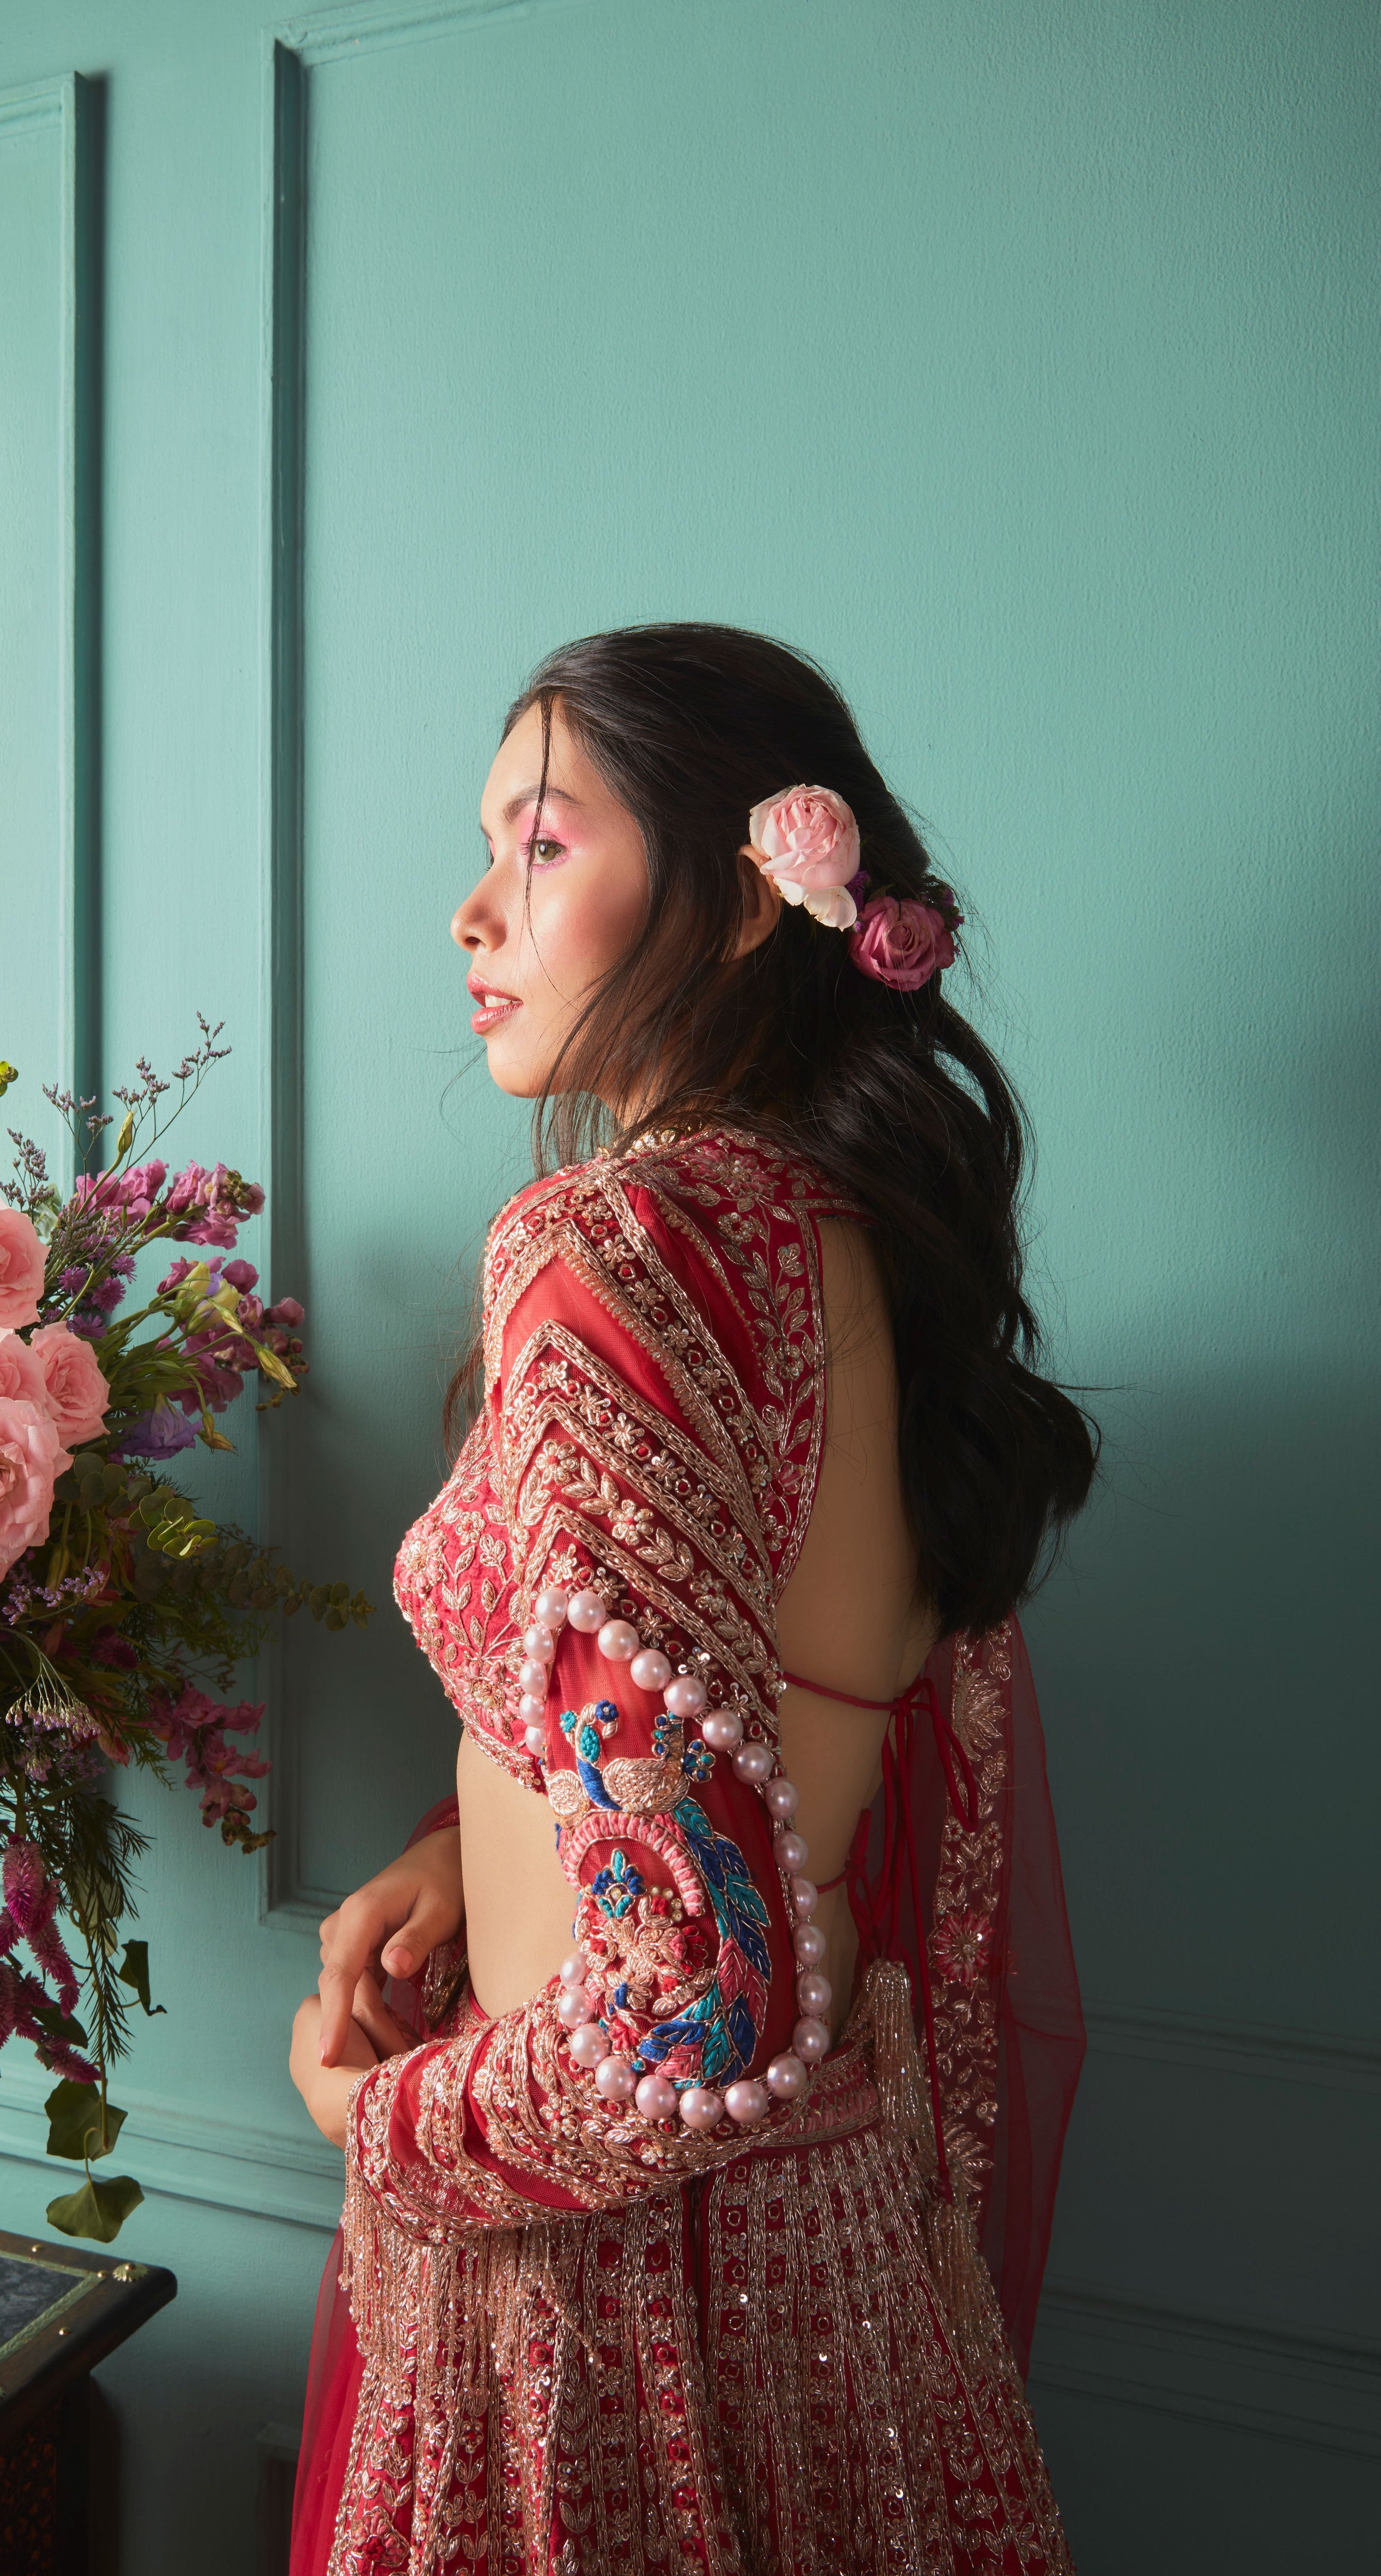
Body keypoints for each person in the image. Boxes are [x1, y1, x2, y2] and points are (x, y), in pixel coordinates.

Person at [287, 623, 1096, 2574]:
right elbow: (792, 1740)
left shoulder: (612, 1242)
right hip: (842, 2280)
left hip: (605, 2298)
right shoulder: (872, 1242)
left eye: (545, 842)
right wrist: (471, 1857)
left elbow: (693, 2011)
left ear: (748, 903)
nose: (474, 907)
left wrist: (379, 2125)